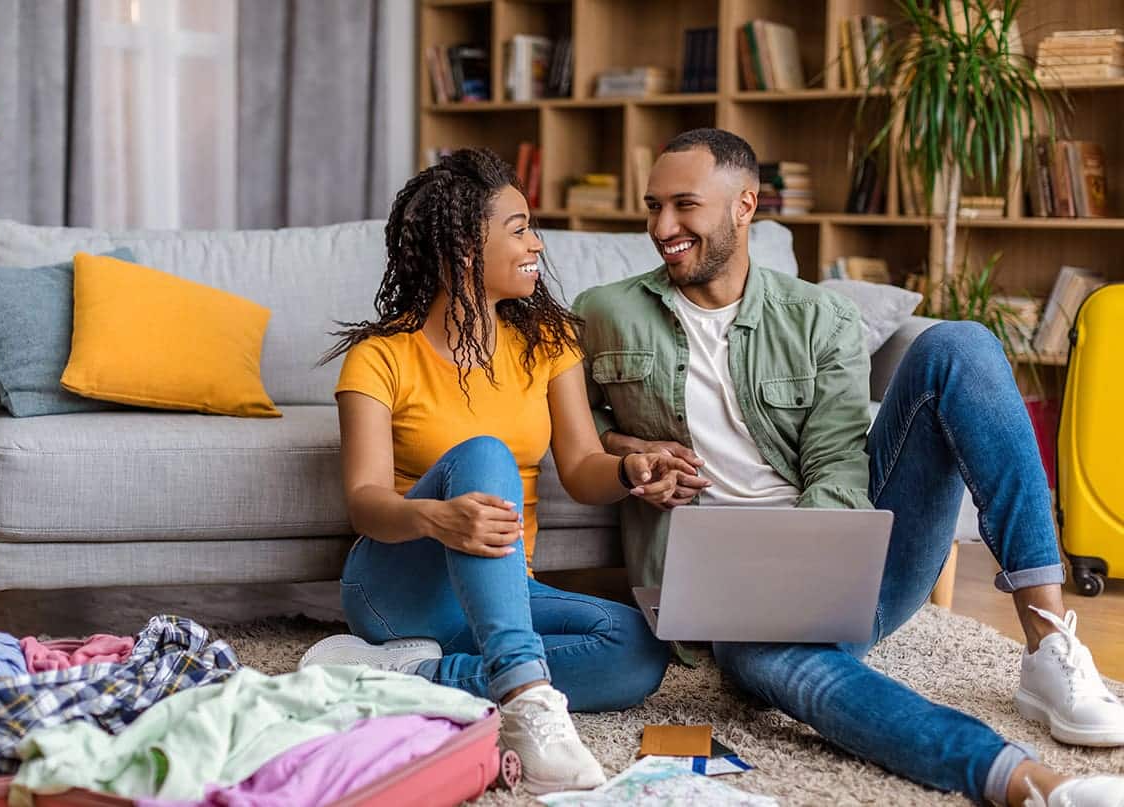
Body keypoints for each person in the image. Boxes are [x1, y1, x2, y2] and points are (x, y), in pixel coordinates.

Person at [573, 127, 1124, 807]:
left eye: (684, 205)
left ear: (745, 206)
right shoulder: (604, 312)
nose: (663, 226)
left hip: (847, 565)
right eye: (653, 206)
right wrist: (629, 447)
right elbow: (572, 425)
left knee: (960, 343)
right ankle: (1025, 781)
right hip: (730, 607)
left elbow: (837, 464)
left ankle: (1047, 644)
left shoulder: (818, 315)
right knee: (780, 664)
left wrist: (810, 573)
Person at [300, 148, 674, 795]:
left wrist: (630, 469)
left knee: (639, 648)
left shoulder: (550, 341)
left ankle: (412, 678)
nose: (537, 243)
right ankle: (527, 698)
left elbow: (584, 469)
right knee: (484, 453)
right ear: (466, 249)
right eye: (520, 228)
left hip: (502, 588)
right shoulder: (381, 356)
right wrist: (433, 516)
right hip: (398, 588)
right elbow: (364, 500)